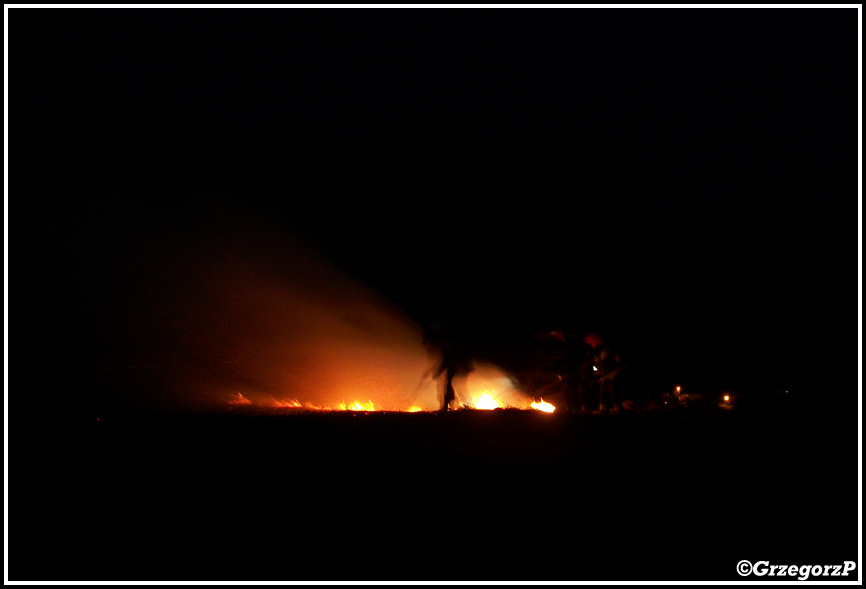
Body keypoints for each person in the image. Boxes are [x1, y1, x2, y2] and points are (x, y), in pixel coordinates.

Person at [585, 333, 622, 412]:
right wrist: (596, 372)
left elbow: (617, 362)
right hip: (603, 377)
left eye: (592, 343)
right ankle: (602, 408)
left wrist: (616, 372)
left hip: (611, 374)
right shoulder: (596, 355)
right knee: (603, 392)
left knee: (612, 391)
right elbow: (595, 366)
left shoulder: (608, 352)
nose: (591, 345)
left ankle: (617, 407)